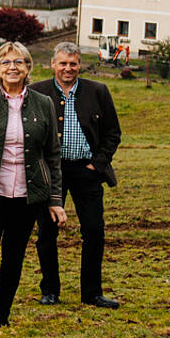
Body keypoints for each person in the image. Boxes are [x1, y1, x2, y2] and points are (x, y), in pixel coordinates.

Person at [0, 42, 68, 327]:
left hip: (28, 197)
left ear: (28, 67)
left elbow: (53, 154)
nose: (12, 68)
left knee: (14, 257)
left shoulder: (44, 104)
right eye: (6, 63)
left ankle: (1, 316)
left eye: (19, 62)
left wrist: (55, 199)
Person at [31, 42, 123, 308]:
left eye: (72, 63)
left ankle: (92, 293)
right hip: (52, 173)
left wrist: (98, 164)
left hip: (87, 171)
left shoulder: (98, 92)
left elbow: (112, 133)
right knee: (47, 232)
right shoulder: (38, 92)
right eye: (63, 63)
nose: (68, 68)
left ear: (79, 64)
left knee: (94, 231)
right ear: (53, 65)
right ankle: (50, 290)